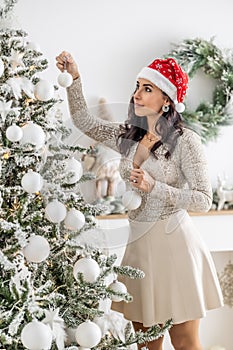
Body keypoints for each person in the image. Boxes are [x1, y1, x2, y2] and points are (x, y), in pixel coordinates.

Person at [56, 52, 224, 350]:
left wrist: (154, 186)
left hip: (176, 247)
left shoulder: (187, 141)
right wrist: (75, 79)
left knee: (185, 342)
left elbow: (203, 200)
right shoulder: (127, 135)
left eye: (148, 88)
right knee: (146, 343)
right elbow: (84, 121)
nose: (137, 93)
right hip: (140, 248)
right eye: (137, 86)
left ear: (167, 99)